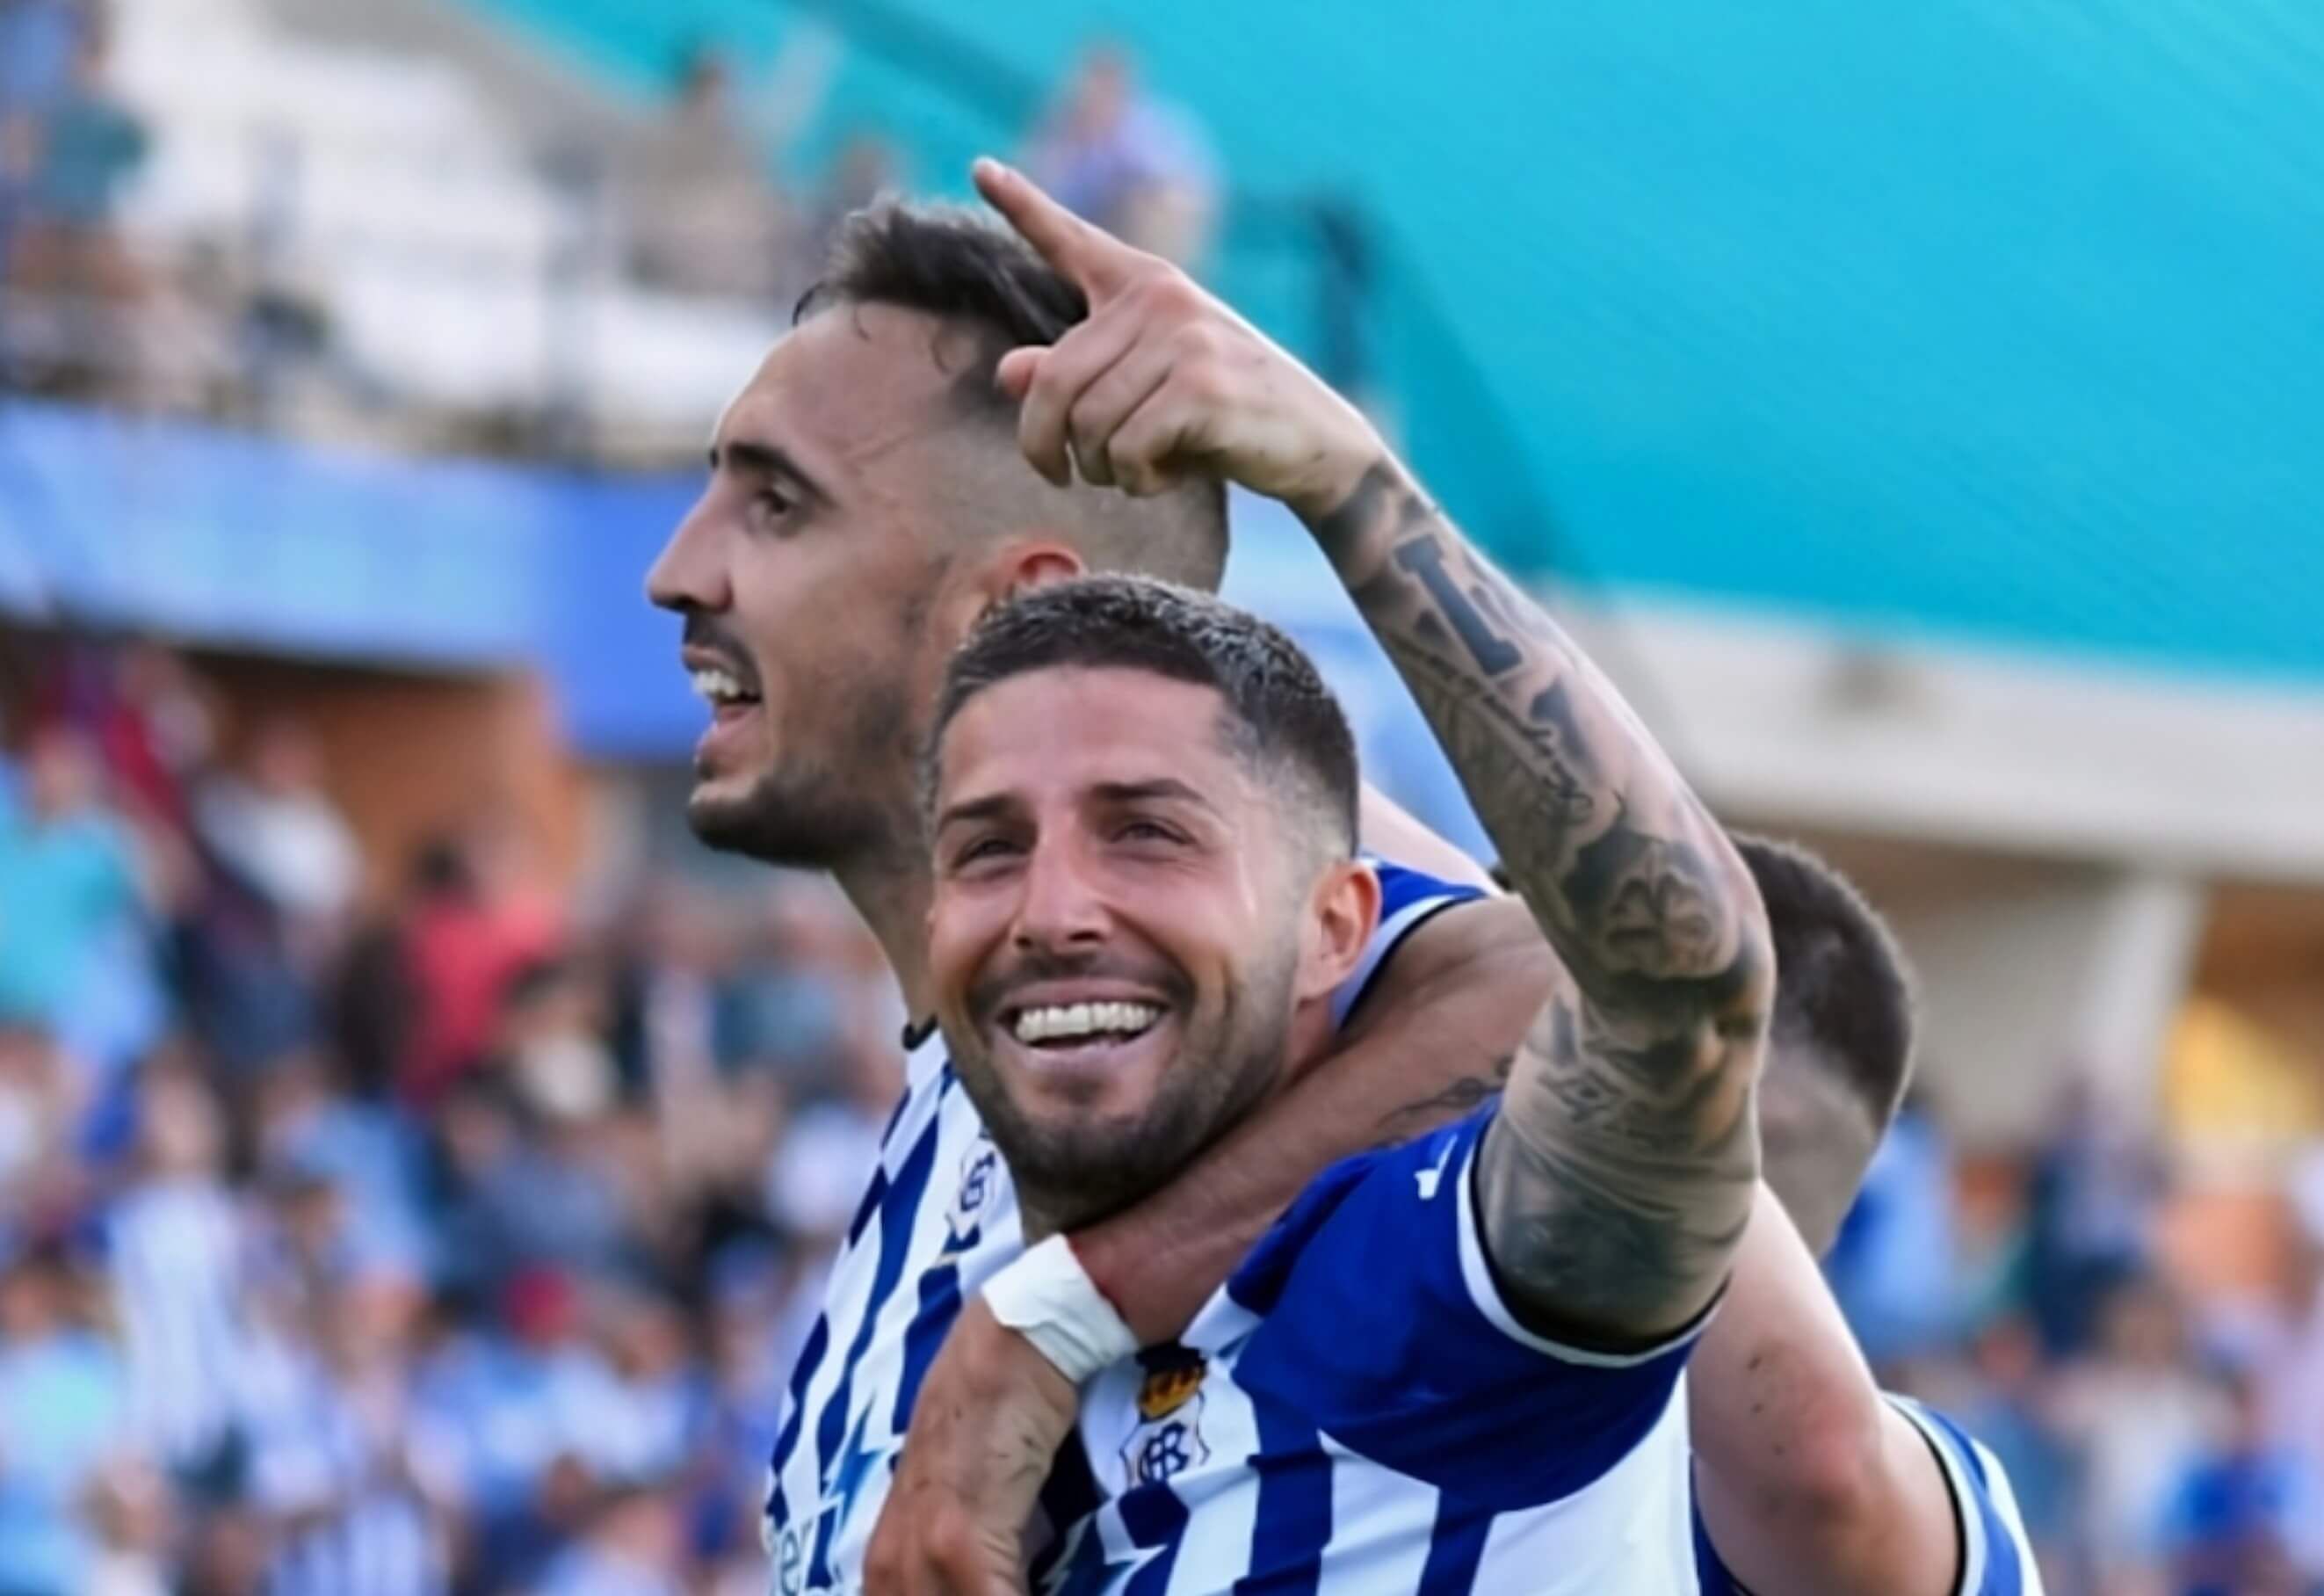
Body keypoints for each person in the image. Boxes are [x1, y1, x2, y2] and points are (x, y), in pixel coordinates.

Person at [643, 165, 2028, 1594]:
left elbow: (1618, 976)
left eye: (777, 507)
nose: (677, 573)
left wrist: (1337, 472)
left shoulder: (1426, 1282)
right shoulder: (926, 1198)